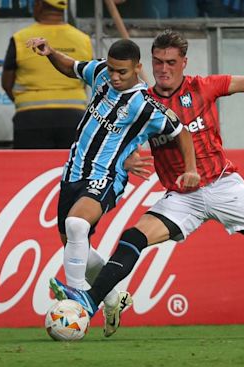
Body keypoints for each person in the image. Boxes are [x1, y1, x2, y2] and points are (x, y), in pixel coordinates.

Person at [49, 29, 244, 335]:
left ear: (184, 63)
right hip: (181, 197)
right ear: (150, 63)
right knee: (134, 238)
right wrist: (128, 158)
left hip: (222, 186)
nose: (164, 69)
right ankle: (89, 303)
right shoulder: (140, 102)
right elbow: (119, 137)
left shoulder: (204, 87)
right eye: (158, 62)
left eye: (171, 62)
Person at [27, 35, 201, 334]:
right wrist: (50, 52)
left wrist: (191, 168)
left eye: (123, 71)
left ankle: (77, 297)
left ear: (137, 69)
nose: (116, 77)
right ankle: (112, 299)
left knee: (77, 226)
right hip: (72, 174)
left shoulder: (145, 106)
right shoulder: (100, 74)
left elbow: (181, 131)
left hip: (105, 177)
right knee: (74, 241)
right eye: (112, 70)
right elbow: (71, 68)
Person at [1, 0, 93, 149]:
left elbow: (6, 84)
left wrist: (26, 102)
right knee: (73, 169)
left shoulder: (20, 38)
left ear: (39, 5)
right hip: (74, 118)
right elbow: (87, 77)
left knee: (31, 169)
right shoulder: (83, 39)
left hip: (31, 119)